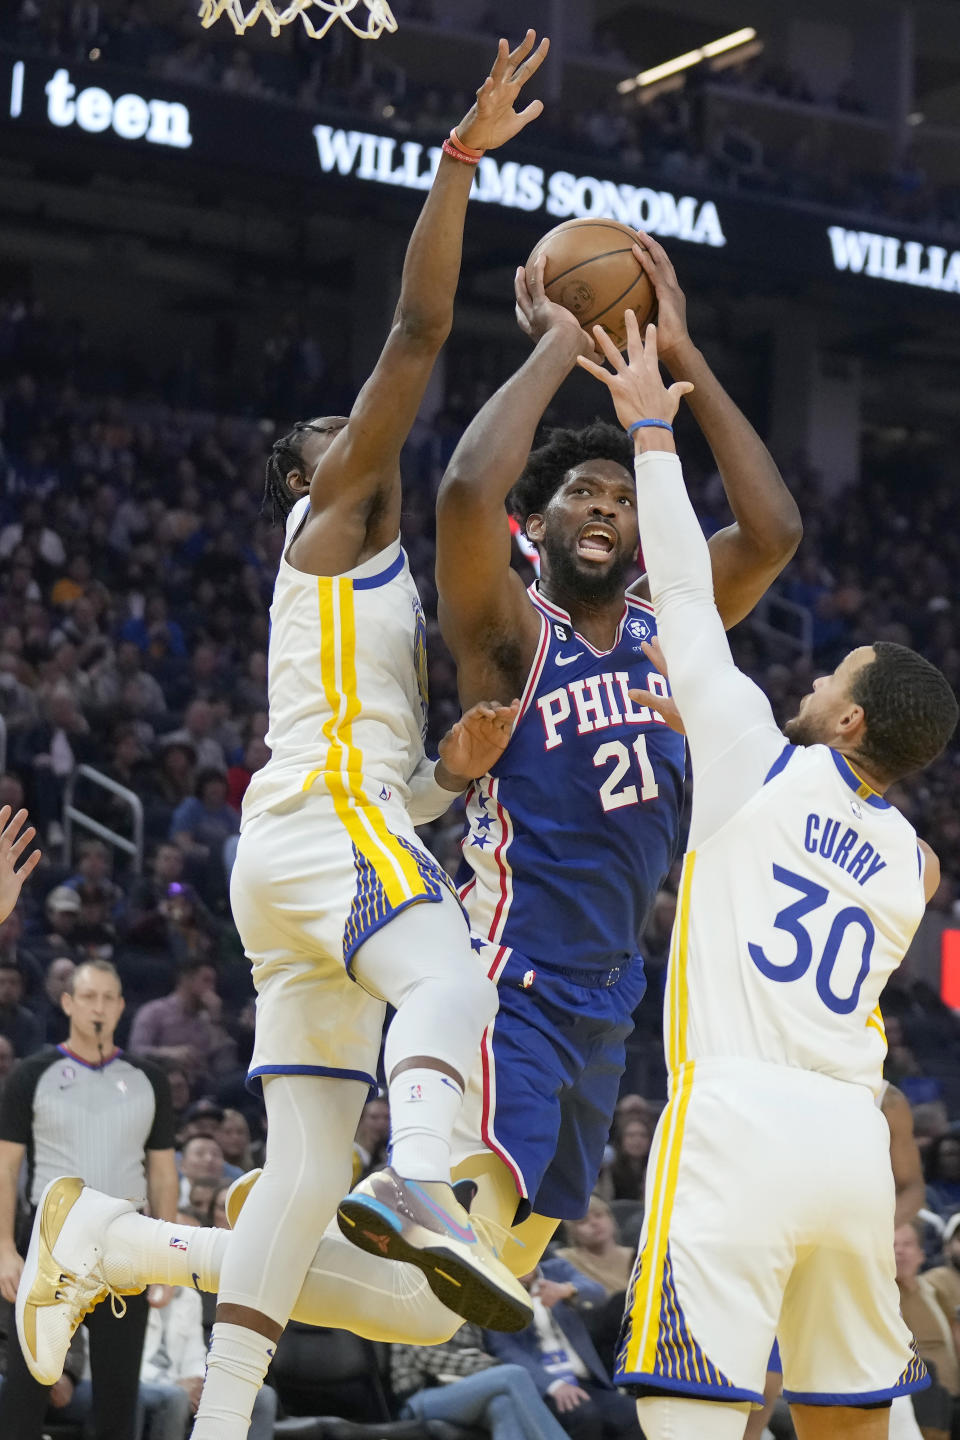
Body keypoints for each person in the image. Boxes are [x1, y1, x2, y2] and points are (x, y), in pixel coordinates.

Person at [15, 33, 550, 1440]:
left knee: (302, 1168)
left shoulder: (357, 592)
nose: (357, 438)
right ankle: (425, 1174)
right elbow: (419, 338)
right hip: (323, 840)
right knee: (451, 984)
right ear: (306, 480)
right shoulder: (332, 525)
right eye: (335, 436)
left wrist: (448, 774)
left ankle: (199, 1392)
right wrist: (456, 165)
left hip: (307, 853)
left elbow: (398, 785)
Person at [573, 314, 957, 1437]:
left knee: (689, 1411)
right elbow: (883, 838)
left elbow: (685, 594)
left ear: (847, 718)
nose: (814, 675)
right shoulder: (913, 865)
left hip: (736, 1124)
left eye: (833, 672)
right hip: (849, 1147)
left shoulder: (753, 751)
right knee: (853, 1420)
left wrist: (651, 427)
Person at [427, 231, 800, 1267]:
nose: (605, 507)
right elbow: (463, 493)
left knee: (483, 1278)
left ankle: (180, 1251)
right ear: (537, 524)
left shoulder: (668, 626)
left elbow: (770, 533)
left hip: (610, 994)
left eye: (623, 497)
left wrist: (683, 359)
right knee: (457, 1261)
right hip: (509, 974)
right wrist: (556, 340)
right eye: (581, 495)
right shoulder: (510, 628)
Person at [0, 957, 178, 1440]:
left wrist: (167, 1257)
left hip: (128, 1243)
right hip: (50, 1241)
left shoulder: (150, 1080)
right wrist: (4, 1249)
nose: (97, 1006)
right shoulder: (32, 1074)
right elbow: (6, 1167)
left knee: (120, 1398)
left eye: (107, 997)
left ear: (121, 1006)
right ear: (67, 1003)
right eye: (88, 996)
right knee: (26, 1390)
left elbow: (162, 1174)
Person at [743, 1079, 928, 1440]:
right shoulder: (764, 1075)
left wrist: (870, 1233)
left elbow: (912, 1186)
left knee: (875, 1394)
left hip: (848, 1266)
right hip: (770, 1253)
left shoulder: (885, 1098)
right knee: (760, 1389)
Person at [486, 1259, 642, 1440]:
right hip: (541, 1386)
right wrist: (553, 1385)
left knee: (634, 1416)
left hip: (583, 1379)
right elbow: (505, 1349)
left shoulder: (556, 1269)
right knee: (584, 1416)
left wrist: (567, 1290)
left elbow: (598, 1293)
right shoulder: (493, 1288)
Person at [391, 1315, 574, 1440]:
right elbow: (427, 1358)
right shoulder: (410, 1308)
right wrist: (489, 1365)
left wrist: (483, 1364)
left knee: (502, 1404)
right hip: (422, 1398)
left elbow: (477, 1354)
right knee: (514, 1374)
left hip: (464, 1392)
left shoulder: (465, 1312)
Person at [555, 1196, 634, 1299]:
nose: (594, 1223)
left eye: (599, 1215)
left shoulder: (636, 1257)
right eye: (583, 1221)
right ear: (572, 1231)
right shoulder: (563, 1259)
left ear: (611, 1219)